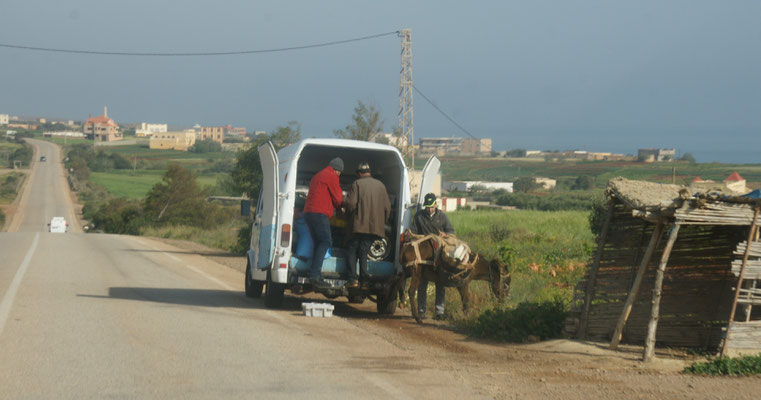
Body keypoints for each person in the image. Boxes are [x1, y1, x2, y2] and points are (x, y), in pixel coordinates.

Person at [343, 162, 391, 290]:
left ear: (359, 173)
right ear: (370, 172)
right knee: (363, 252)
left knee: (352, 250)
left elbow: (351, 204)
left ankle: (352, 279)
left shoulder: (357, 184)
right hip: (375, 228)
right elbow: (387, 208)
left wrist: (347, 215)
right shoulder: (381, 185)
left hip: (358, 226)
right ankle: (364, 281)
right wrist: (382, 223)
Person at [411, 193, 454, 319]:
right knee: (422, 282)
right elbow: (413, 230)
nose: (429, 209)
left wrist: (445, 235)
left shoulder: (442, 217)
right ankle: (421, 311)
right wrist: (411, 234)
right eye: (427, 207)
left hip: (439, 254)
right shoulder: (419, 216)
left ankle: (439, 312)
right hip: (424, 255)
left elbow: (451, 231)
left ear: (436, 204)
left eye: (431, 206)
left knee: (440, 282)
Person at [303, 157, 344, 287]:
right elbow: (338, 198)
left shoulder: (318, 175)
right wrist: (340, 208)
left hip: (308, 213)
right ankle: (315, 275)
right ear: (338, 170)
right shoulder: (332, 176)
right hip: (319, 213)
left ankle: (313, 271)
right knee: (326, 241)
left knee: (318, 242)